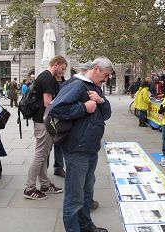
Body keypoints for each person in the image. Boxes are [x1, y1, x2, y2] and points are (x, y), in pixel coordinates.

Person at [50, 56, 113, 232]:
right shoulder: (76, 85)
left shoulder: (94, 87)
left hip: (90, 147)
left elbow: (106, 114)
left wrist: (101, 101)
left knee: (86, 192)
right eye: (106, 75)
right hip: (77, 148)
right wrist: (84, 108)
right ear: (96, 69)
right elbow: (56, 109)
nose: (107, 79)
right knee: (74, 197)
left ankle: (86, 226)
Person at [23, 55, 67, 200]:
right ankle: (29, 188)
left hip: (40, 121)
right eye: (62, 68)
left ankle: (45, 184)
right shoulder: (48, 78)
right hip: (43, 122)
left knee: (43, 154)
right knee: (41, 155)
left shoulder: (44, 76)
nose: (63, 71)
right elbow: (48, 103)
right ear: (56, 64)